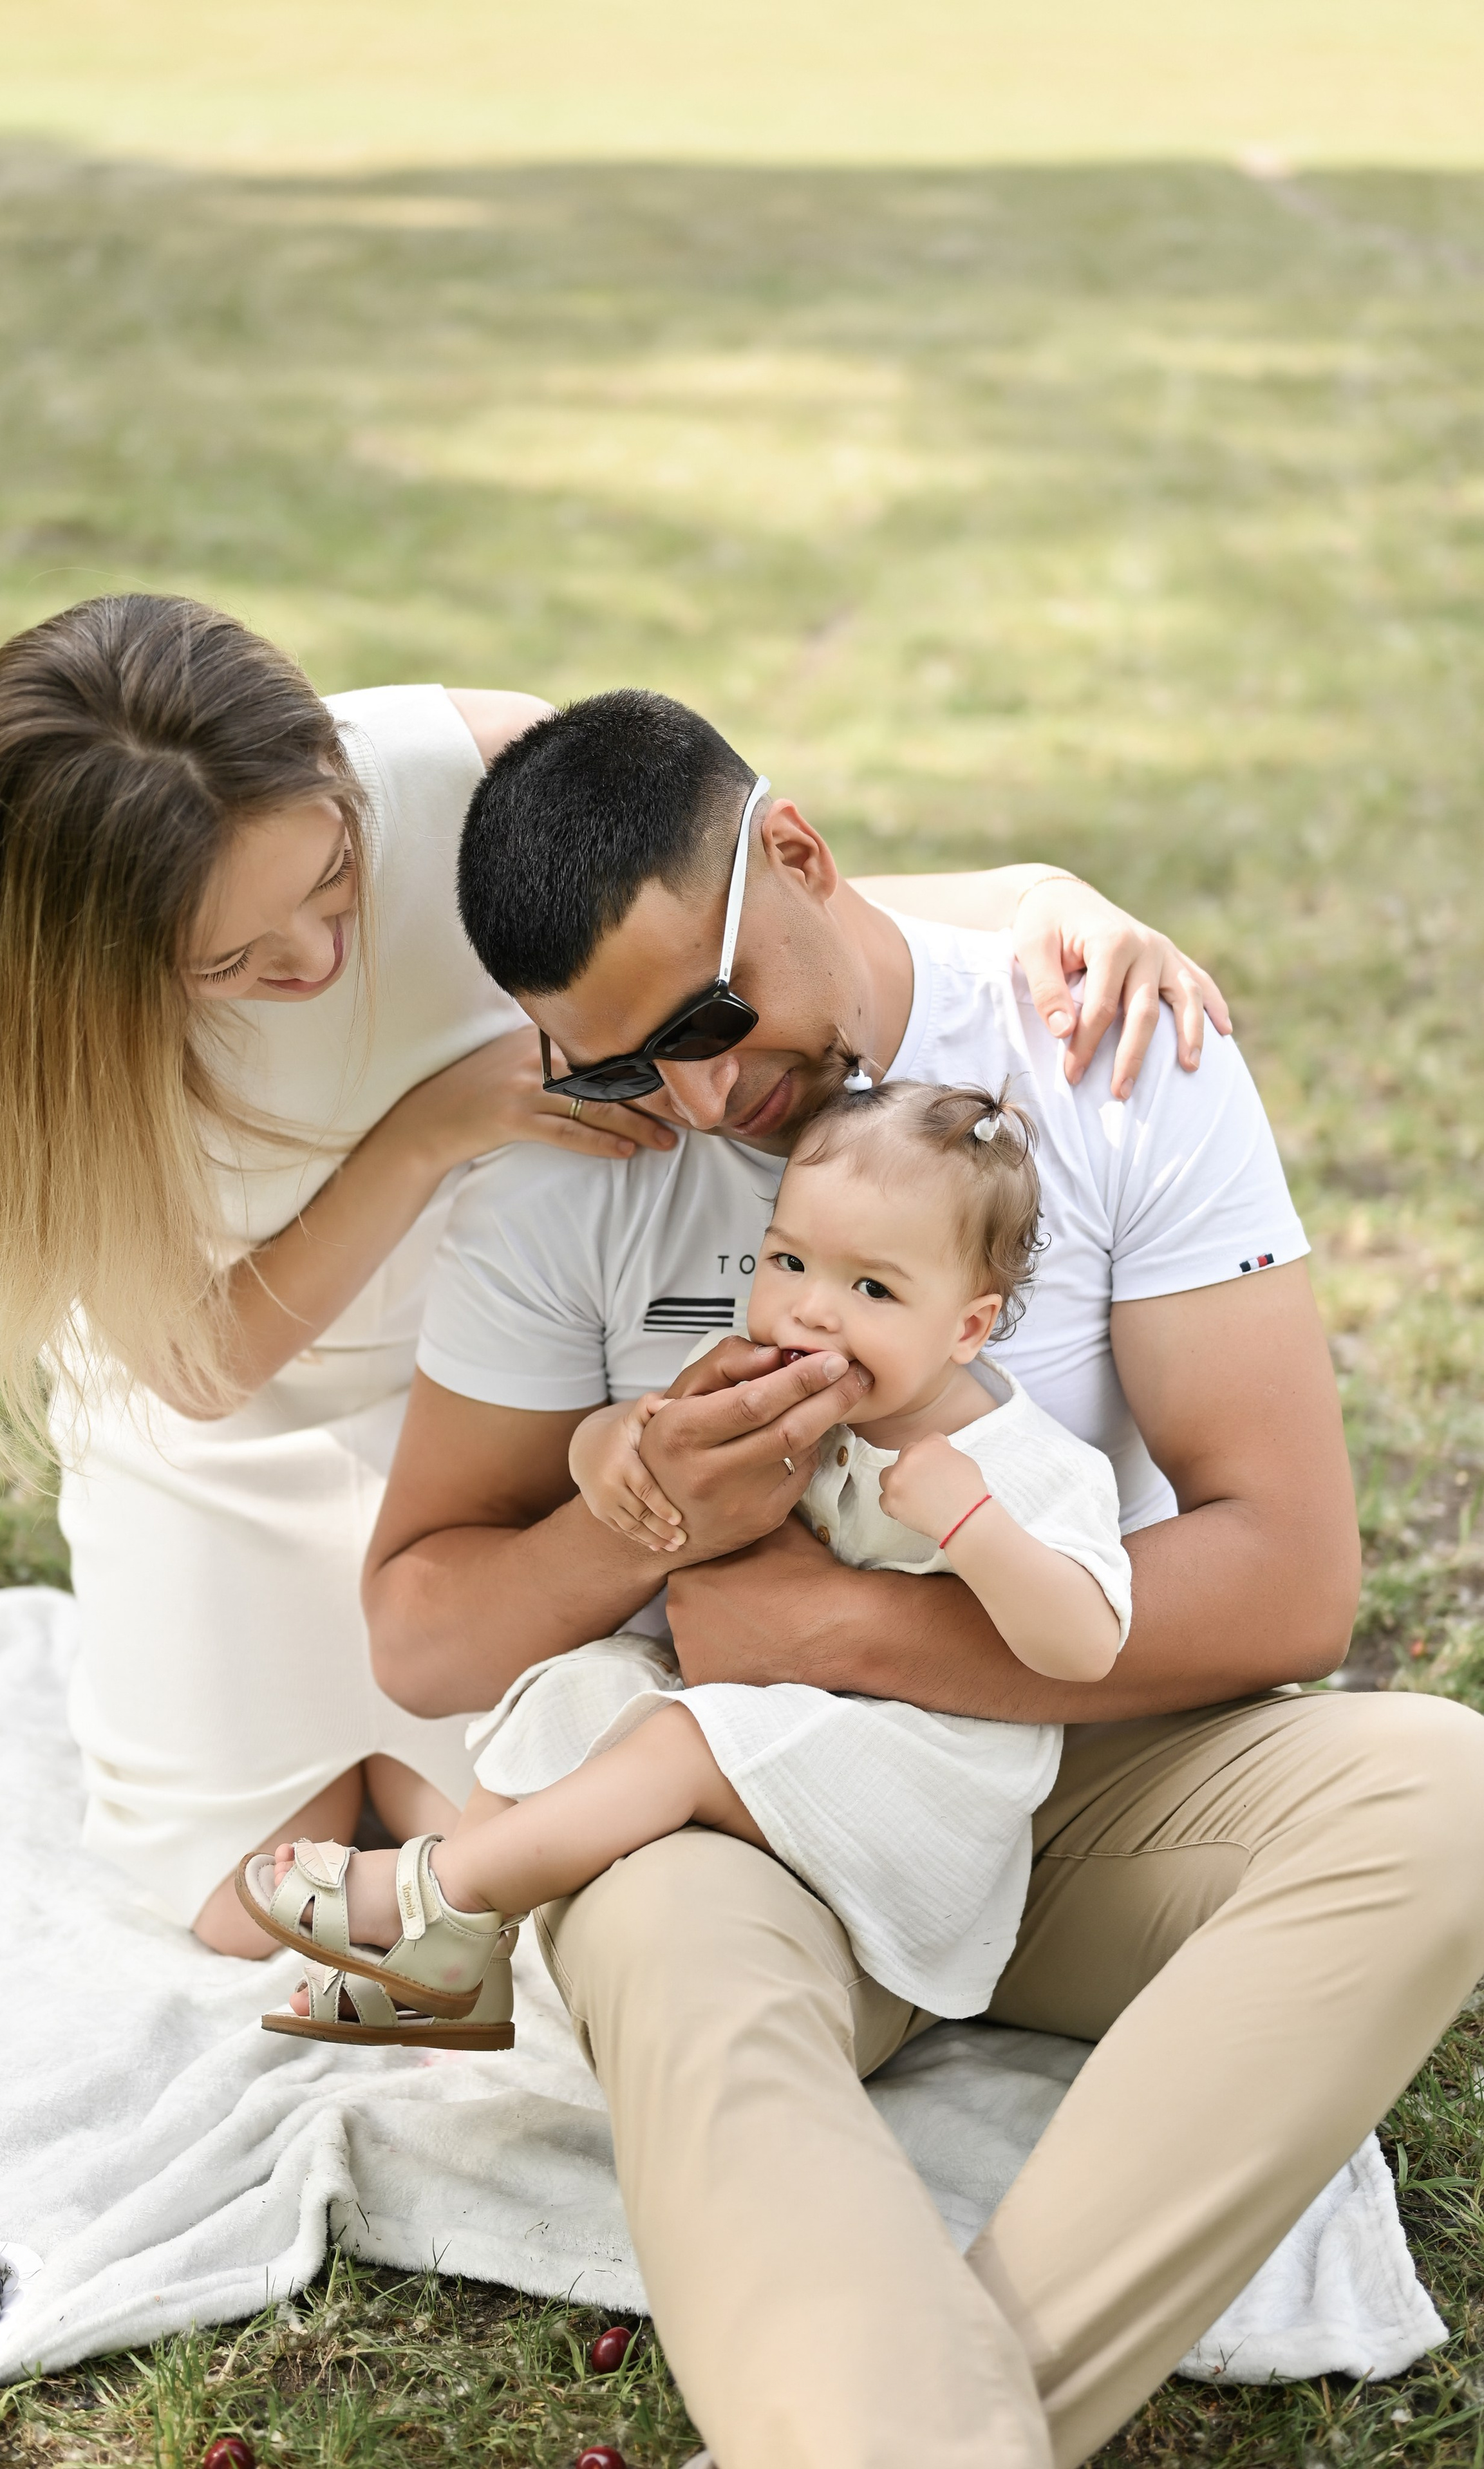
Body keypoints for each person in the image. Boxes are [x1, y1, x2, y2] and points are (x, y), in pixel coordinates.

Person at [363, 687, 1484, 2468]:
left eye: (718, 1020)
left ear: (800, 854)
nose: (705, 1095)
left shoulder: (1105, 1045)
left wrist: (846, 1623)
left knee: (1443, 1791)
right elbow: (420, 1620)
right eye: (624, 1061)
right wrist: (634, 1518)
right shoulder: (578, 1170)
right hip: (729, 1800)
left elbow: (1288, 1580)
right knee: (649, 1908)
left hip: (1048, 1776)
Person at [0, 594, 1202, 1984]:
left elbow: (742, 895)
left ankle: (436, 1855)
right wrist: (434, 1128)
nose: (317, 955)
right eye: (230, 963)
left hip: (490, 1381)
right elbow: (206, 1369)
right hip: (230, 1424)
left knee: (569, 1809)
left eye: (332, 876)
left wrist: (1041, 899)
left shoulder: (458, 771)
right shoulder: (58, 1032)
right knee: (235, 1905)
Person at [238, 1078, 1129, 2038]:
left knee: (680, 1741)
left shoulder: (1019, 1462)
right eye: (789, 1261)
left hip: (926, 1783)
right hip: (782, 1725)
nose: (814, 1312)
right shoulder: (770, 1393)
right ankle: (451, 1967)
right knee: (579, 1683)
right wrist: (611, 1449)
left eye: (872, 1288)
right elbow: (622, 1436)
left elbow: (1084, 1647)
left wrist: (973, 1525)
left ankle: (428, 1889)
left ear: (968, 1328)